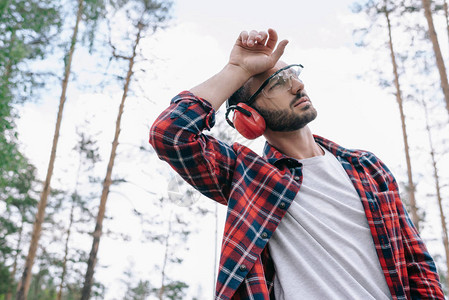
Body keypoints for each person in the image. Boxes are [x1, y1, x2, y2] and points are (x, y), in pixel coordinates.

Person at [149, 29, 444, 300]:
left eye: (292, 74)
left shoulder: (367, 167)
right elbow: (170, 134)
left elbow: (417, 265)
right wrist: (237, 70)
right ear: (247, 117)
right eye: (276, 82)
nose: (297, 85)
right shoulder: (249, 177)